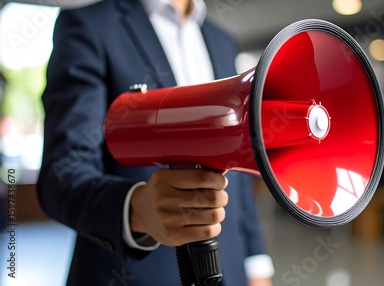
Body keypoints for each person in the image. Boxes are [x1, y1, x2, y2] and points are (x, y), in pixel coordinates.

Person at [36, 0, 274, 285]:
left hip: (231, 271)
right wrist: (138, 210)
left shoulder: (221, 40)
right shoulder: (89, 24)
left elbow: (239, 169)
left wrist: (257, 263)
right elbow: (61, 173)